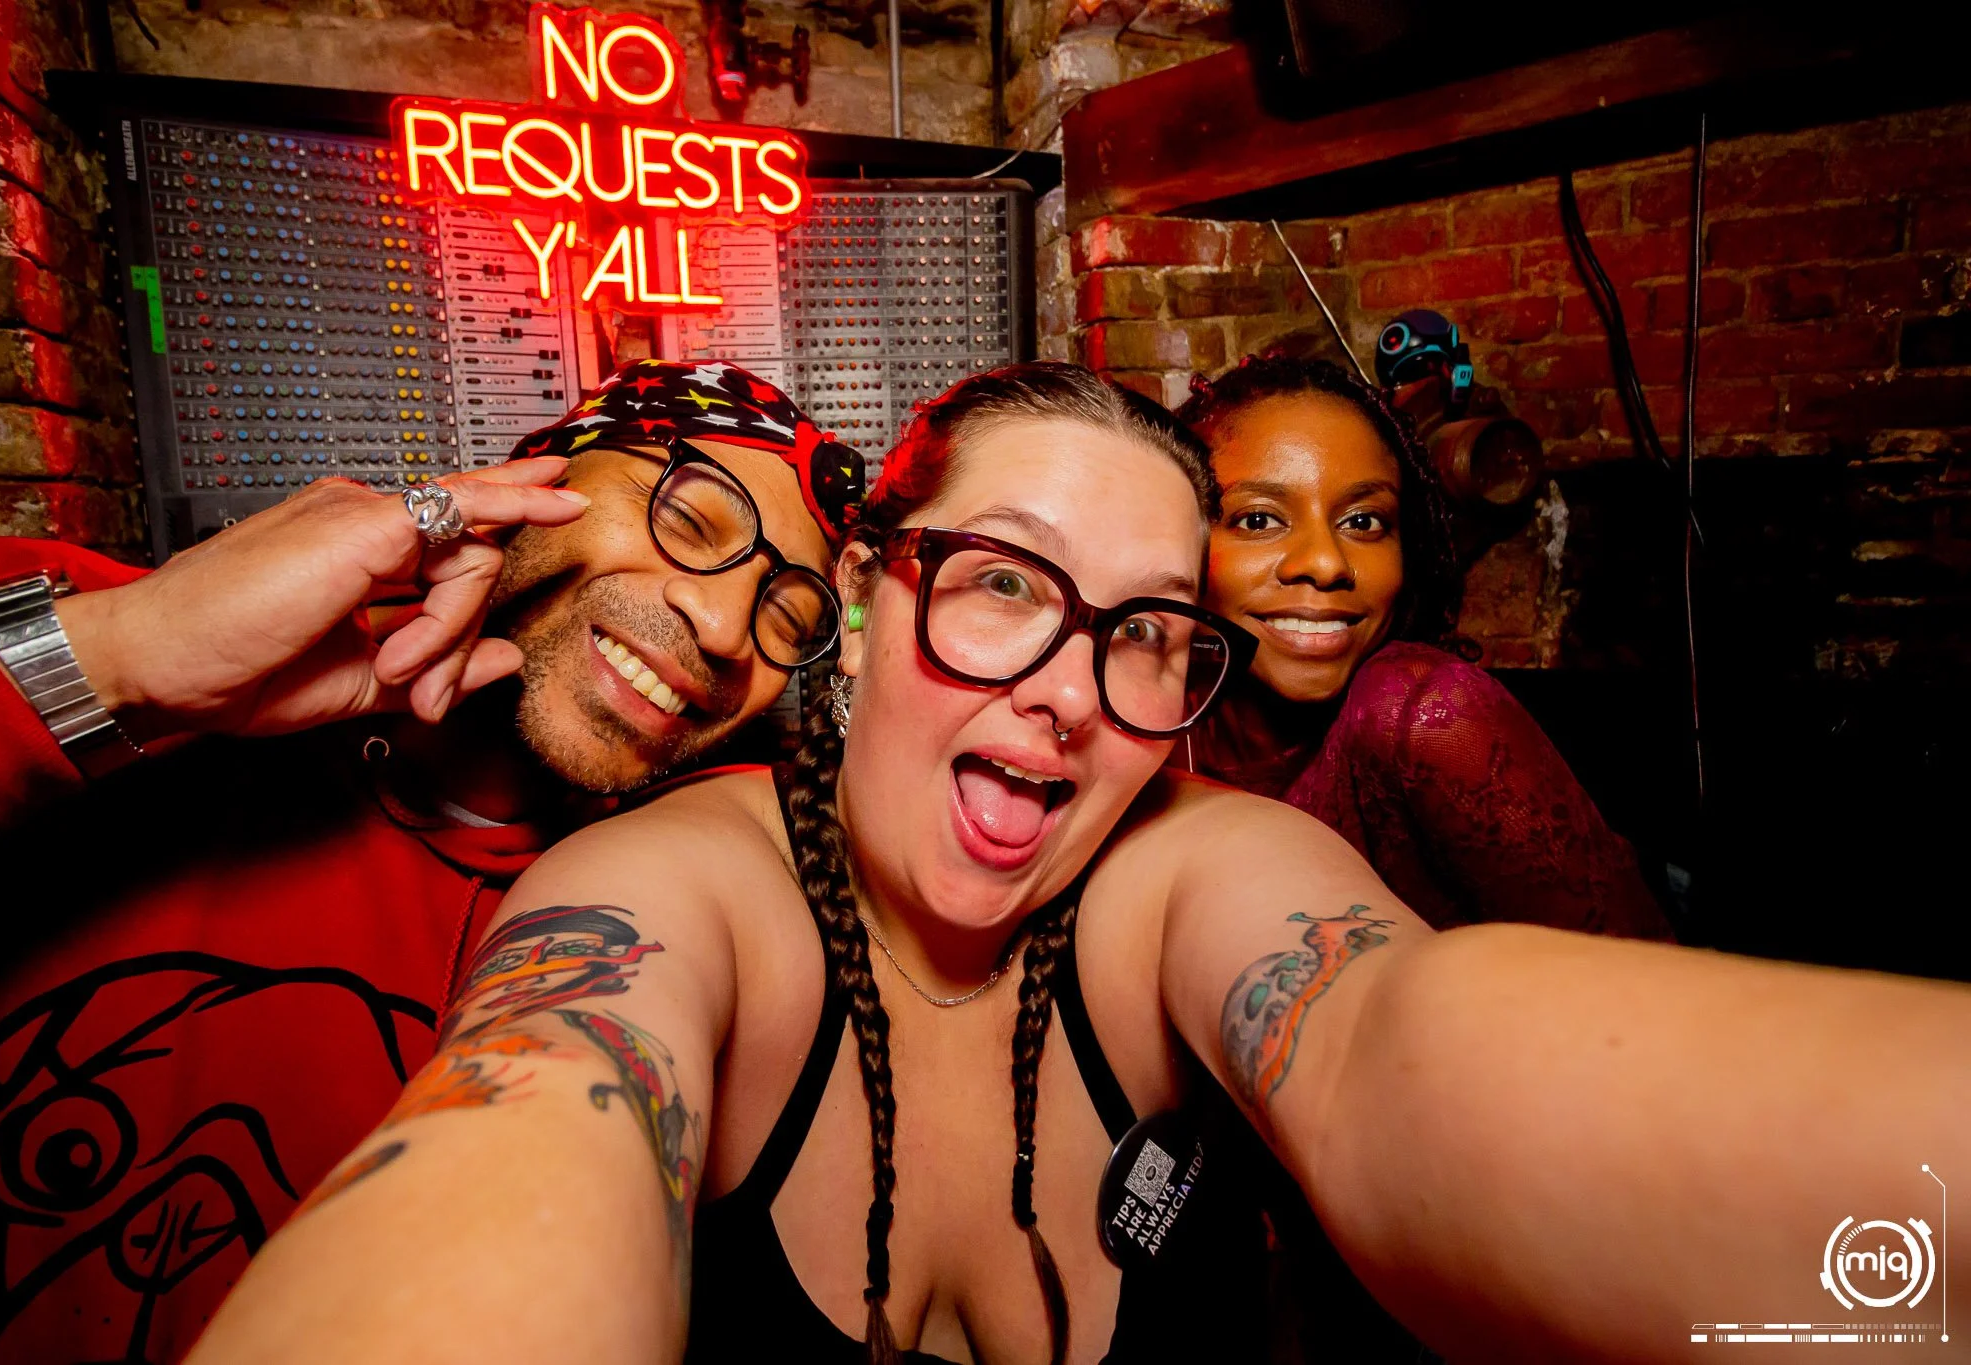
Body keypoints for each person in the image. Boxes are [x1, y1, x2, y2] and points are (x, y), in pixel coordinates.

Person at [183, 362, 1968, 1365]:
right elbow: (534, 1106)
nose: (1063, 690)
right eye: (1002, 585)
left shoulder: (1187, 874)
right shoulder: (691, 884)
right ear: (864, 609)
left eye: (1145, 631)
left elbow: (1394, 1040)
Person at [0, 358, 863, 1365]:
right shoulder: (81, 633)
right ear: (539, 474)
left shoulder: (660, 920)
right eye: (689, 518)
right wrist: (120, 657)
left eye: (786, 621)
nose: (724, 630)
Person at [1178, 351, 1673, 940]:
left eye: (1363, 521)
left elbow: (1645, 971)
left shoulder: (1423, 709)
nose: (1327, 563)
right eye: (1259, 520)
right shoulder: (1142, 718)